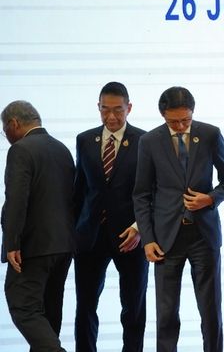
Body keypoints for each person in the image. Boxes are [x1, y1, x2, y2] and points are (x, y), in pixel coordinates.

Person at [133, 86, 224, 352]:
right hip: (166, 239)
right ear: (162, 116)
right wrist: (147, 239)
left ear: (193, 113)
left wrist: (210, 198)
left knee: (211, 310)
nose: (180, 126)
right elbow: (142, 195)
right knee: (166, 315)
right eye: (173, 122)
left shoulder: (210, 134)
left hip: (204, 235)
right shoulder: (149, 142)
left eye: (185, 120)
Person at [73, 82, 148, 352]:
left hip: (131, 237)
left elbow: (153, 192)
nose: (112, 117)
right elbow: (79, 189)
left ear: (129, 108)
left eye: (118, 110)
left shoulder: (145, 141)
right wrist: (75, 232)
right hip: (90, 237)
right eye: (105, 110)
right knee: (85, 306)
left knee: (133, 307)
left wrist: (140, 228)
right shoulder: (84, 140)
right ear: (99, 108)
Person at [1, 100, 75, 351]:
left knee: (23, 305)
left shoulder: (21, 150)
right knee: (49, 310)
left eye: (5, 129)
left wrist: (12, 242)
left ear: (13, 124)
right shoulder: (61, 149)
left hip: (33, 246)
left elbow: (17, 200)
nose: (6, 135)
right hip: (64, 245)